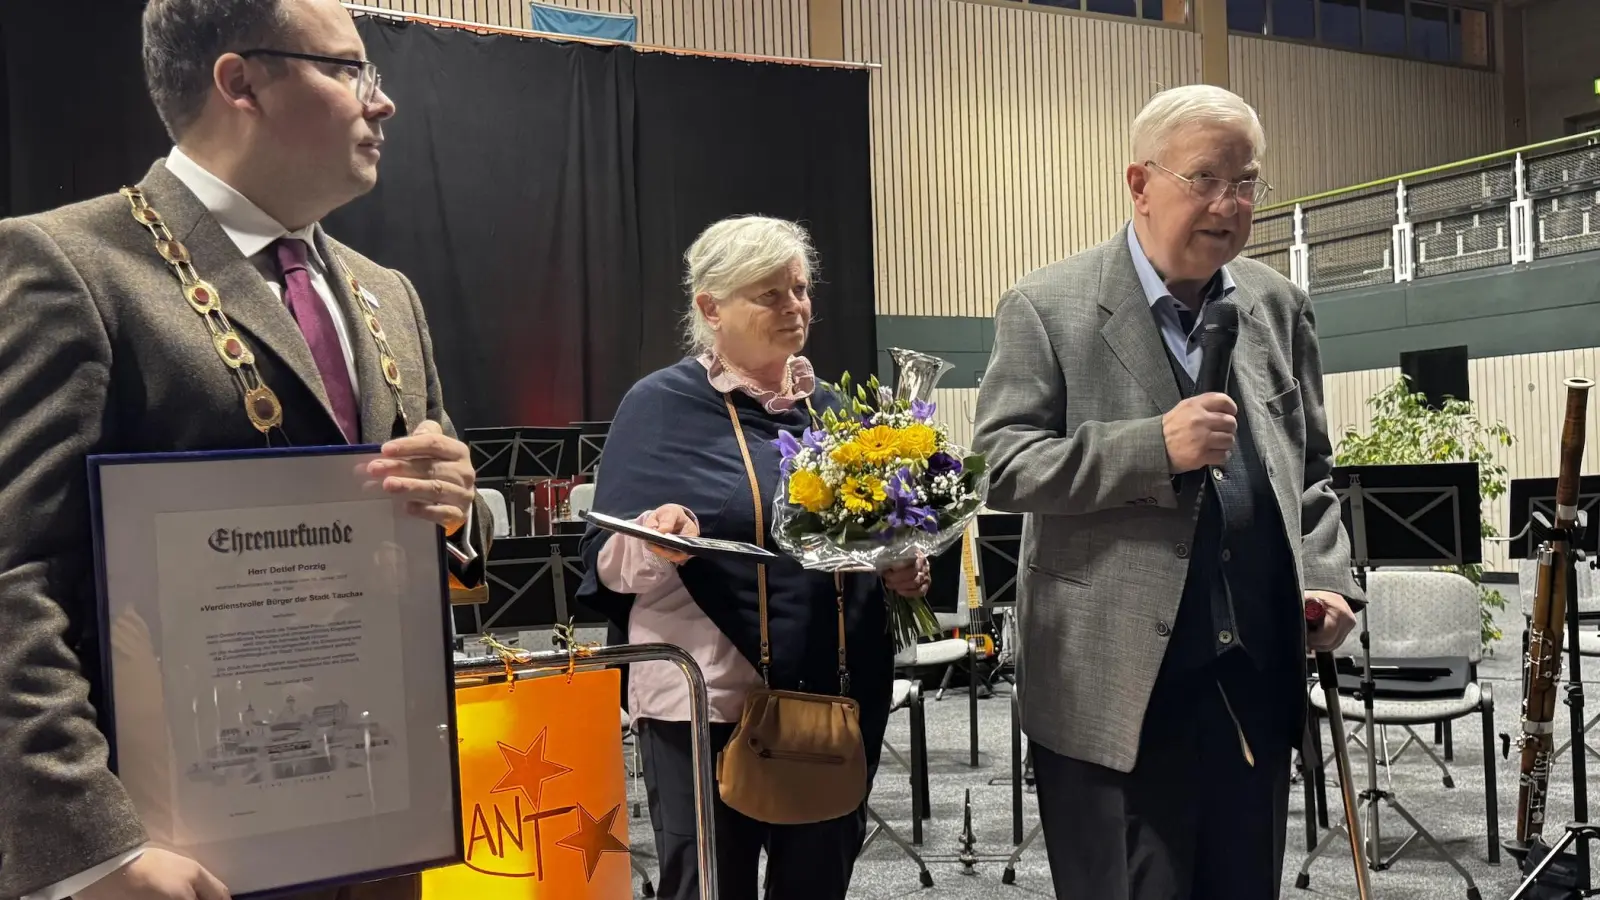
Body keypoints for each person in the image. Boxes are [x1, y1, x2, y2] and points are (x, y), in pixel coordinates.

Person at [0, 1, 491, 899]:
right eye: (349, 71)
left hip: (378, 824)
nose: (380, 103)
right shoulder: (72, 266)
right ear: (241, 82)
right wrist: (90, 849)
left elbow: (449, 516)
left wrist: (457, 505)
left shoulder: (389, 295)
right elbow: (11, 574)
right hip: (173, 854)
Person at [971, 84, 1363, 900]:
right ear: (1139, 184)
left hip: (1252, 682)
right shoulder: (1045, 307)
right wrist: (1154, 447)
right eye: (1205, 179)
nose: (1229, 203)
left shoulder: (1280, 306)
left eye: (1247, 181)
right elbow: (1001, 465)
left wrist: (1325, 577)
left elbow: (1311, 472)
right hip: (1112, 688)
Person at [576, 215, 928, 900]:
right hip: (703, 705)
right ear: (711, 307)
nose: (795, 307)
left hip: (829, 701)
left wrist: (898, 573)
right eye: (769, 295)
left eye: (799, 289)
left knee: (817, 886)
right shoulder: (659, 406)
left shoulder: (835, 413)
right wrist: (654, 540)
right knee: (709, 889)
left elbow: (861, 544)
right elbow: (605, 563)